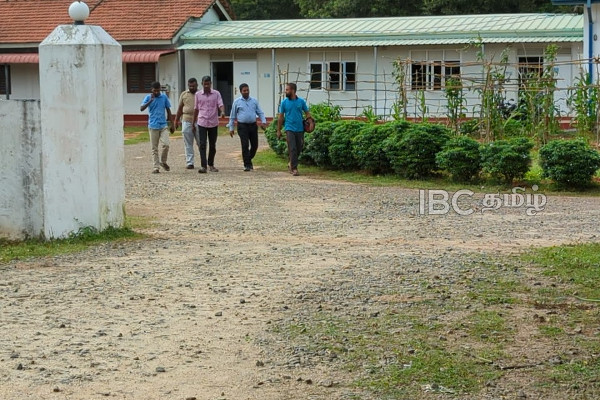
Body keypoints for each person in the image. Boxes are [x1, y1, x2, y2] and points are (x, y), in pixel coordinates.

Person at [228, 83, 267, 171]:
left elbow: (260, 112)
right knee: (245, 145)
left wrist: (263, 121)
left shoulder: (254, 101)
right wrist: (231, 128)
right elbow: (232, 116)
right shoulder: (237, 102)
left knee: (254, 145)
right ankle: (247, 165)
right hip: (242, 126)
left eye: (247, 90)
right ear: (241, 92)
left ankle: (248, 158)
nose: (246, 92)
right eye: (244, 91)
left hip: (253, 125)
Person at [276, 82, 312, 176]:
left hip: (300, 128)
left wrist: (310, 121)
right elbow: (280, 117)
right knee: (292, 148)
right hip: (289, 128)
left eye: (287, 90)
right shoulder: (284, 102)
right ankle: (294, 168)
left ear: (293, 90)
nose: (285, 91)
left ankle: (290, 163)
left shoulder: (301, 101)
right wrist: (279, 130)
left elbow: (307, 112)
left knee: (299, 148)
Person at [192, 76, 225, 173]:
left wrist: (222, 112)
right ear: (202, 84)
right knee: (202, 144)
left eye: (208, 84)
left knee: (212, 145)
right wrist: (193, 123)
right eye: (205, 84)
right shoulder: (198, 94)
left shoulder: (216, 93)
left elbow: (220, 104)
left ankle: (211, 164)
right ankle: (203, 166)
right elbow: (196, 109)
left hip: (213, 123)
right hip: (202, 122)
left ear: (211, 84)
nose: (206, 86)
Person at [140, 81, 174, 174]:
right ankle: (156, 167)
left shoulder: (164, 97)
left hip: (163, 125)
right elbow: (141, 108)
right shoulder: (148, 97)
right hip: (153, 125)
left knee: (166, 144)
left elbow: (168, 110)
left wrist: (172, 123)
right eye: (154, 90)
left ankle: (163, 161)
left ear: (160, 89)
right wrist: (150, 101)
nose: (156, 92)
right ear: (152, 90)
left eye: (158, 90)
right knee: (154, 148)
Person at [175, 77, 200, 169]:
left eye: (193, 86)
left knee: (201, 142)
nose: (192, 88)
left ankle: (203, 162)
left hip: (199, 121)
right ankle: (190, 162)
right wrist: (176, 121)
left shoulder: (200, 94)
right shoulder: (184, 94)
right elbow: (179, 108)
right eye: (190, 86)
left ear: (197, 85)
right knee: (188, 143)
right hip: (186, 120)